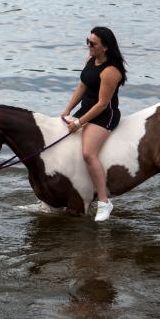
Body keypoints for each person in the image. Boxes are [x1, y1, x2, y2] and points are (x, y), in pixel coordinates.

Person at [61, 26, 127, 222]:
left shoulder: (111, 72)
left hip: (104, 115)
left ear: (105, 47)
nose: (88, 46)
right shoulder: (90, 60)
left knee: (88, 154)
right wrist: (67, 110)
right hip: (86, 110)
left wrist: (79, 123)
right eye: (87, 42)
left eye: (92, 44)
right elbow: (82, 86)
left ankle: (104, 203)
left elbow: (102, 104)